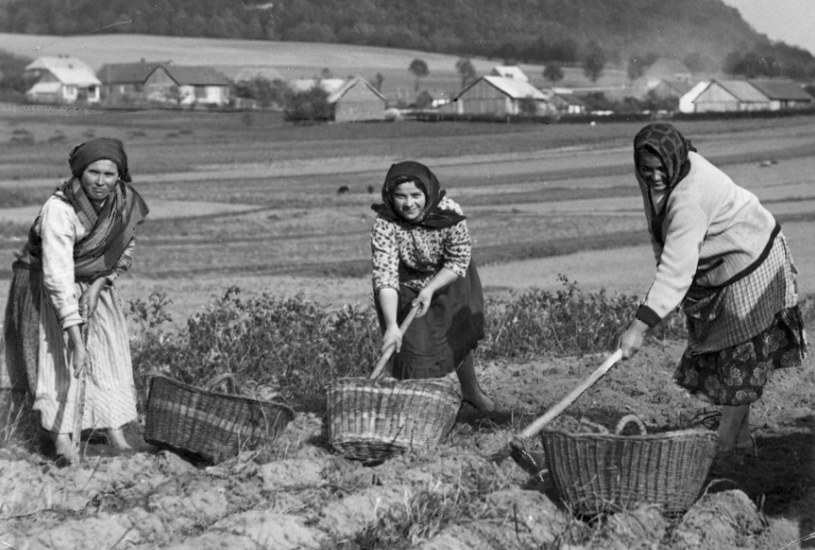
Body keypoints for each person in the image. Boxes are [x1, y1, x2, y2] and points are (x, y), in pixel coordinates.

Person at [618, 123, 806, 462]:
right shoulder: (651, 175)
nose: (655, 177)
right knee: (731, 360)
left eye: (662, 169)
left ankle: (720, 450)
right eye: (647, 170)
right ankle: (743, 445)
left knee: (739, 360)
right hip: (719, 264)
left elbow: (677, 268)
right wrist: (665, 274)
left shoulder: (691, 198)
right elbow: (658, 229)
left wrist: (639, 326)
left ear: (676, 160)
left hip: (751, 260)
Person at [2, 137, 149, 465]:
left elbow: (126, 248)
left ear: (120, 176)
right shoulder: (60, 209)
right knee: (56, 359)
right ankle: (62, 442)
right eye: (93, 172)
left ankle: (115, 432)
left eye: (109, 174)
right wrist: (74, 336)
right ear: (79, 173)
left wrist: (100, 283)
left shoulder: (121, 203)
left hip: (95, 283)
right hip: (47, 286)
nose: (101, 181)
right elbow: (58, 276)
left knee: (106, 354)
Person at [371, 160, 494, 411]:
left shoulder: (449, 213)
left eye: (416, 195)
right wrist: (392, 325)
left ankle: (471, 392)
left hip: (449, 279)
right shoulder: (384, 223)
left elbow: (458, 259)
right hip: (406, 284)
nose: (408, 204)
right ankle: (420, 410)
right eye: (400, 196)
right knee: (412, 350)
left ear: (427, 192)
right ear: (390, 196)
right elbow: (385, 276)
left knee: (456, 338)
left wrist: (430, 288)